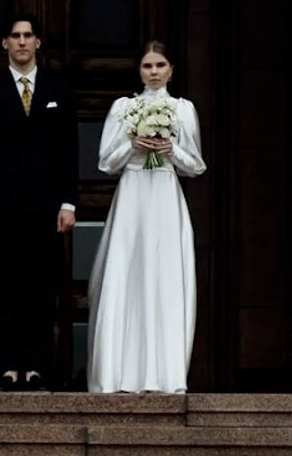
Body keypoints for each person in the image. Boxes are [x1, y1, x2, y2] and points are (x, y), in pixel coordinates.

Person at [0, 15, 79, 390]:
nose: (22, 42)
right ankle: (8, 367)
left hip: (46, 209)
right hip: (1, 208)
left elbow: (69, 150)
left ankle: (36, 368)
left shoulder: (59, 89)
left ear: (39, 42)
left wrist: (69, 203)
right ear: (5, 44)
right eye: (15, 36)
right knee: (5, 288)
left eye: (28, 35)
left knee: (41, 289)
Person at [85, 41, 205, 393]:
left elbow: (196, 164)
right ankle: (117, 374)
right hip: (133, 196)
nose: (153, 72)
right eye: (147, 66)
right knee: (126, 273)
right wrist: (132, 145)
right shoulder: (125, 107)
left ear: (171, 70)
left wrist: (173, 150)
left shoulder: (182, 109)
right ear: (139, 70)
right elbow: (106, 161)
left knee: (164, 278)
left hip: (165, 195)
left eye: (160, 65)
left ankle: (164, 376)